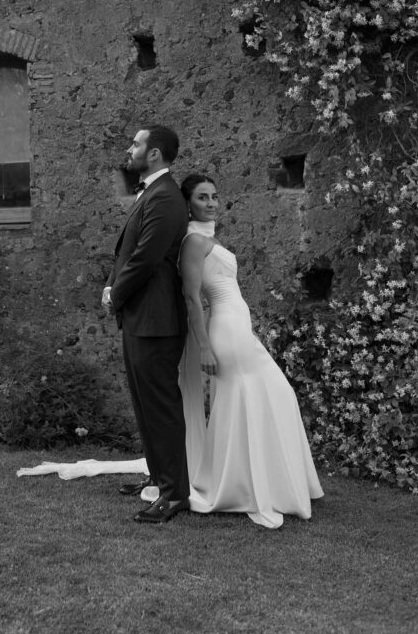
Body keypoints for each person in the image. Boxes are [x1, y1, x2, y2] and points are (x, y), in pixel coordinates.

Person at [165, 173, 324, 529]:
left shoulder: (208, 238)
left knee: (272, 395)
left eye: (214, 196)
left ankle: (267, 482)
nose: (211, 203)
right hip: (224, 331)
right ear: (188, 203)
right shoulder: (192, 241)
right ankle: (242, 485)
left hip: (239, 328)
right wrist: (203, 346)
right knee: (256, 396)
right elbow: (191, 297)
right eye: (202, 197)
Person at [101, 125, 190, 523]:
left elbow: (146, 258)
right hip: (140, 316)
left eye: (136, 144)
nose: (129, 149)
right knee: (144, 404)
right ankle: (157, 479)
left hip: (157, 319)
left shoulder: (167, 197)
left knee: (161, 408)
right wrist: (112, 287)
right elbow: (130, 254)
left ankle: (173, 495)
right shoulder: (152, 192)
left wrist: (116, 294)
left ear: (154, 154)